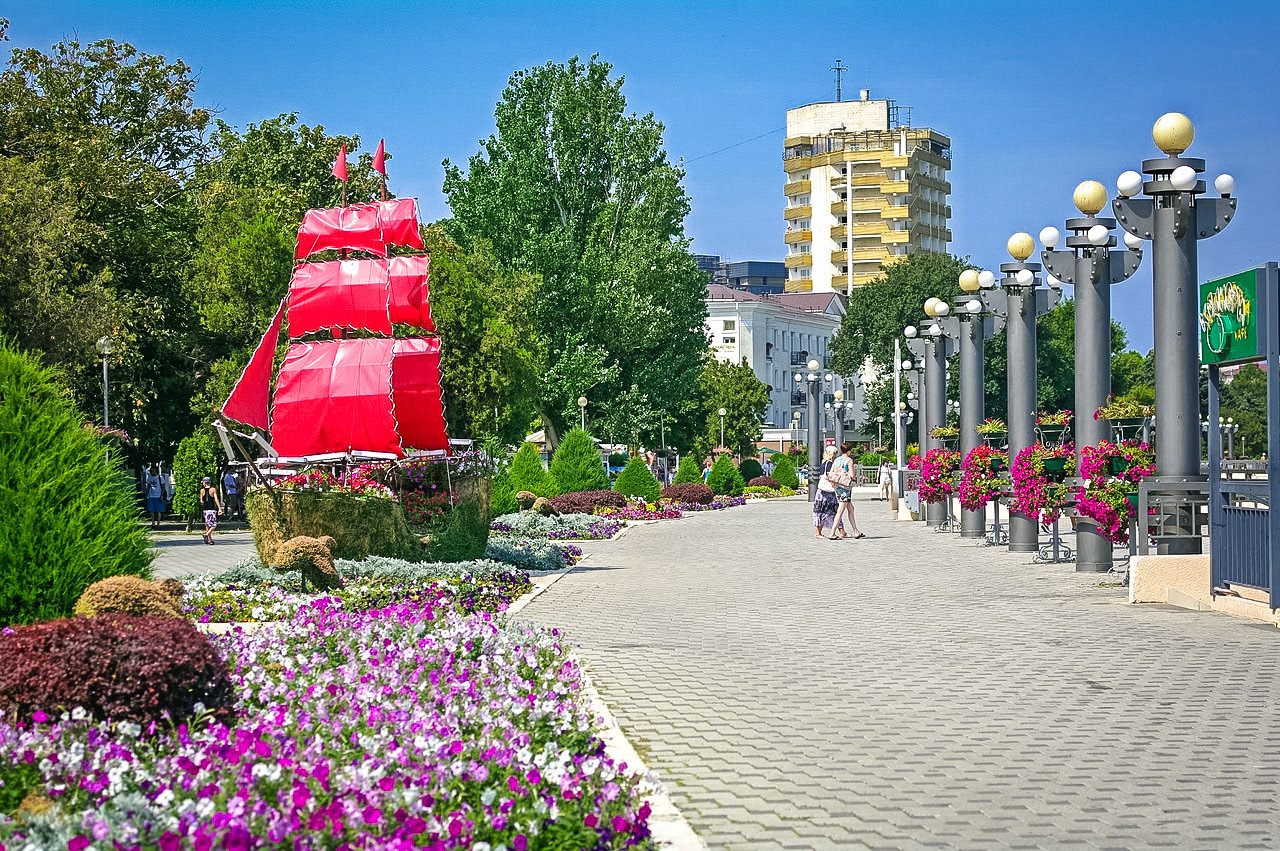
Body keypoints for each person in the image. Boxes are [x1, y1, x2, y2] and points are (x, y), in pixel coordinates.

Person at [829, 441, 864, 539]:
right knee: (840, 510)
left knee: (851, 508)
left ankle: (856, 531)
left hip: (837, 486)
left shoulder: (836, 460)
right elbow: (852, 475)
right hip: (845, 488)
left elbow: (831, 472)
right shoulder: (849, 460)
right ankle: (832, 532)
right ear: (849, 451)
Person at [812, 445, 840, 538]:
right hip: (828, 492)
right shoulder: (830, 464)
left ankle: (818, 532)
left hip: (821, 491)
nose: (835, 455)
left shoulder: (823, 463)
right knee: (834, 511)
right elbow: (830, 476)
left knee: (820, 511)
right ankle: (819, 532)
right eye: (834, 453)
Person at [199, 476, 223, 545]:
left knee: (207, 524)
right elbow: (216, 499)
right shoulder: (213, 489)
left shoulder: (202, 490)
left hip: (205, 510)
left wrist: (204, 501)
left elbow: (201, 501)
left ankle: (209, 540)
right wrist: (219, 508)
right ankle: (206, 534)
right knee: (214, 525)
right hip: (211, 509)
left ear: (204, 483)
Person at [144, 464, 168, 529]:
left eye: (153, 471)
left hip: (158, 496)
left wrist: (161, 495)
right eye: (151, 471)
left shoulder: (160, 477)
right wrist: (146, 494)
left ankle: (158, 523)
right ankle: (153, 522)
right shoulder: (149, 478)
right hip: (151, 496)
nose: (152, 472)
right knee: (150, 510)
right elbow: (148, 487)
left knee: (158, 510)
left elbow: (163, 487)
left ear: (156, 471)